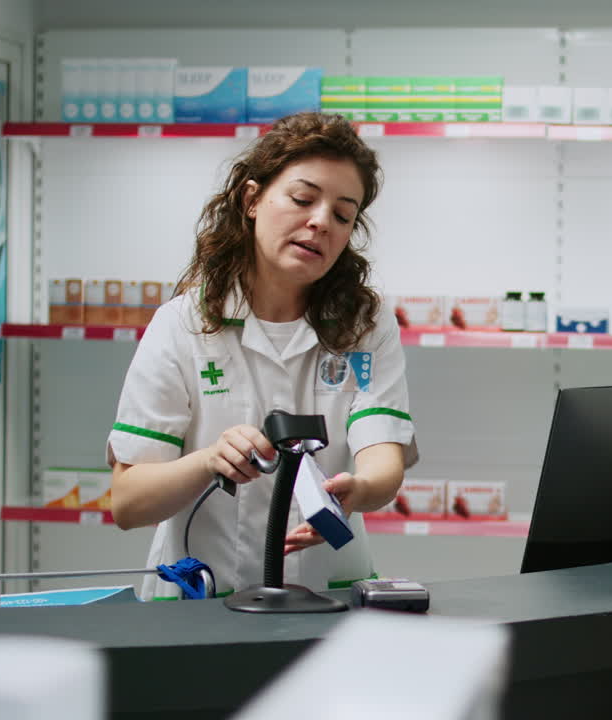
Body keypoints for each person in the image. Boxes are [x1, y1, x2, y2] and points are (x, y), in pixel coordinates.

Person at [107, 112, 417, 600]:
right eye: (302, 198)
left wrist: (359, 490)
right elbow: (127, 503)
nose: (320, 222)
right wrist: (209, 460)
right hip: (202, 602)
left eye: (342, 214)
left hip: (330, 593)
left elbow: (382, 459)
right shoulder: (183, 324)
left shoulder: (365, 325)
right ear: (252, 199)